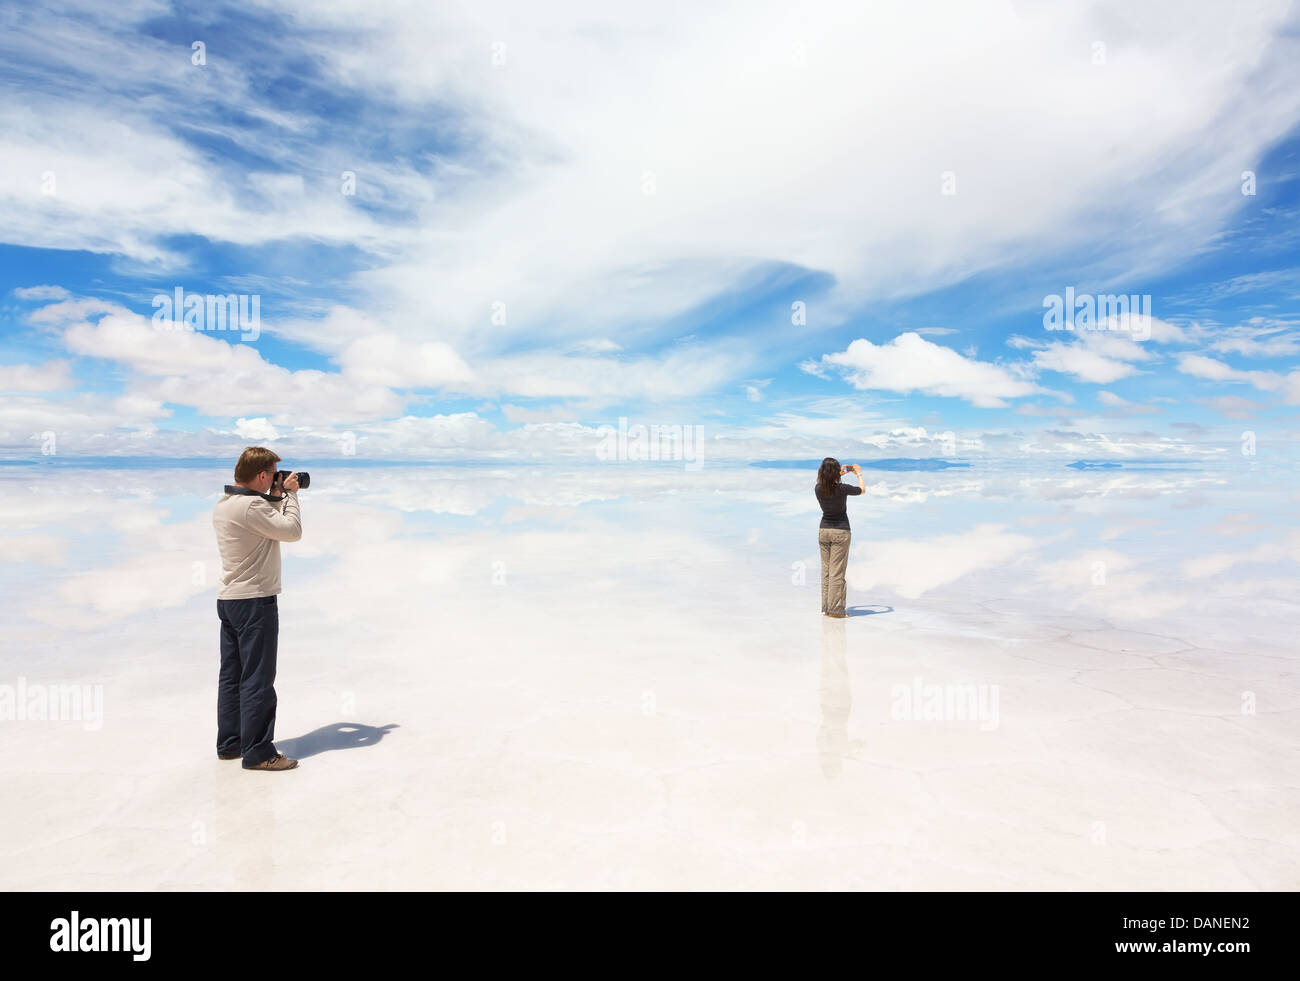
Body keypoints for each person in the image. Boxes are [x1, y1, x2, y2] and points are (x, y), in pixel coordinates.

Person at [212, 446, 303, 771]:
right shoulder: (252, 506)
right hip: (255, 602)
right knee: (258, 680)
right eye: (274, 474)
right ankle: (259, 753)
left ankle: (231, 744)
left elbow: (264, 522)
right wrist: (290, 495)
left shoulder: (226, 504)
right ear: (263, 475)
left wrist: (275, 496)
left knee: (232, 677)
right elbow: (291, 531)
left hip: (230, 600)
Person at [815, 457, 864, 618]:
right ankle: (836, 611)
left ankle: (827, 607)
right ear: (836, 472)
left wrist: (838, 474)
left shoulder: (817, 488)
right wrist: (858, 474)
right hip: (840, 532)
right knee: (837, 573)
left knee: (827, 572)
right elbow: (861, 490)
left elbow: (830, 483)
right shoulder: (842, 489)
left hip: (824, 531)